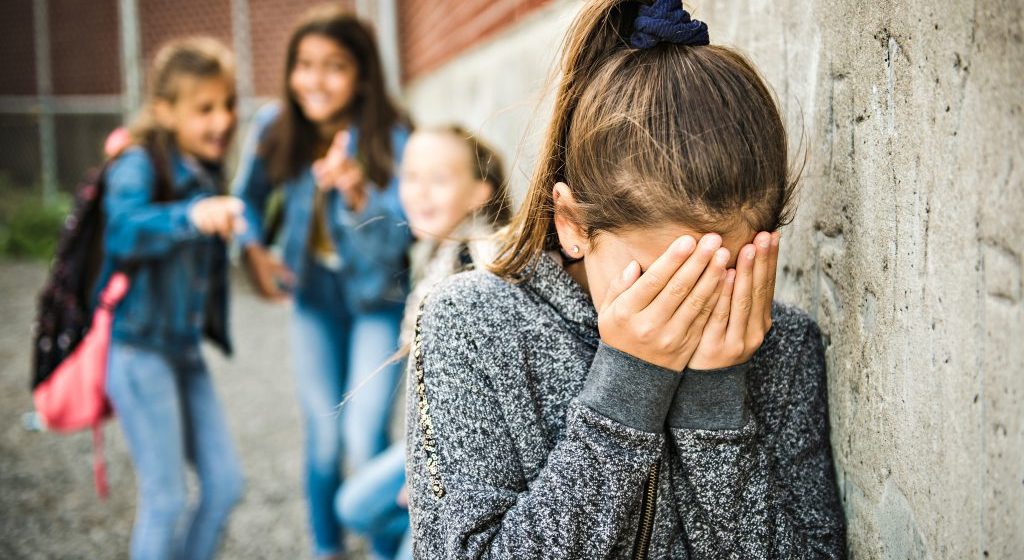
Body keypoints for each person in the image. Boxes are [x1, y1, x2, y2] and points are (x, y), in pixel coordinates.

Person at [405, 0, 846, 558]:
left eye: (724, 272)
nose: (694, 304)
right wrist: (627, 393)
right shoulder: (470, 326)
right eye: (663, 279)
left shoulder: (782, 346)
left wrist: (716, 401)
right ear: (572, 226)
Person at [231, 4, 411, 558]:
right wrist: (254, 251)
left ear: (361, 75)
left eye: (334, 66)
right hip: (314, 299)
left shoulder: (392, 135)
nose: (315, 80)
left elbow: (400, 240)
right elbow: (247, 203)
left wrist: (358, 194)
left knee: (363, 434)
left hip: (379, 300)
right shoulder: (274, 128)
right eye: (304, 64)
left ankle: (386, 546)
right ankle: (326, 546)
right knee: (325, 438)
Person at [335, 125, 512, 560]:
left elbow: (484, 397)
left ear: (479, 193)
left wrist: (431, 481)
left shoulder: (482, 264)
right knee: (353, 506)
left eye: (439, 179)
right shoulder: (434, 255)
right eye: (410, 177)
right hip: (435, 441)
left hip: (472, 456)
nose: (420, 192)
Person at [102, 37, 245, 560]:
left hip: (183, 351)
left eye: (227, 105)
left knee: (226, 485)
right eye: (204, 108)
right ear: (164, 110)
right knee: (165, 499)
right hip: (138, 351)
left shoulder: (206, 169)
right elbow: (121, 231)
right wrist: (191, 216)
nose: (222, 120)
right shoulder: (139, 162)